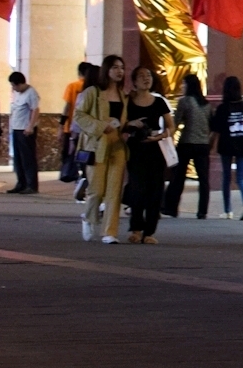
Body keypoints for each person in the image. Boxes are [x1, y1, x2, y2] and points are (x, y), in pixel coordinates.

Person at [74, 55, 129, 243]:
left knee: (114, 191)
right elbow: (79, 116)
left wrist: (128, 128)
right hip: (97, 145)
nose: (119, 71)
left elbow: (123, 120)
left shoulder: (123, 95)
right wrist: (99, 126)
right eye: (115, 67)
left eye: (121, 67)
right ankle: (88, 217)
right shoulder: (93, 92)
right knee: (97, 190)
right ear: (106, 70)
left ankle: (109, 232)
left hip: (118, 145)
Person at [119, 65, 172, 245]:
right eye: (141, 76)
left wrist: (161, 135)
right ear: (134, 81)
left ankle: (149, 232)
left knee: (155, 190)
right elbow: (121, 124)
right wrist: (131, 124)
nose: (146, 78)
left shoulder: (159, 101)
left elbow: (171, 125)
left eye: (148, 75)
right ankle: (135, 229)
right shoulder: (128, 100)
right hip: (135, 147)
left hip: (155, 148)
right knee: (136, 189)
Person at [163, 73, 213, 219]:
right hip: (203, 144)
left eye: (183, 84)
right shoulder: (207, 104)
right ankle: (202, 211)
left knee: (178, 176)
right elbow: (211, 125)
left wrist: (169, 137)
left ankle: (171, 208)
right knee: (204, 179)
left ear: (189, 85)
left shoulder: (184, 101)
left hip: (187, 142)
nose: (181, 86)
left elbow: (176, 122)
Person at [210, 75, 243, 220]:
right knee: (241, 177)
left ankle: (228, 210)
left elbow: (216, 130)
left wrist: (210, 145)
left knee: (226, 178)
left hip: (226, 145)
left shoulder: (222, 108)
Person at [62, 63, 95, 191]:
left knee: (78, 156)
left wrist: (62, 126)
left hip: (74, 129)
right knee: (89, 160)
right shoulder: (98, 91)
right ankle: (85, 179)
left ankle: (80, 179)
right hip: (90, 131)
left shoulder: (73, 86)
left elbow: (68, 107)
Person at [6, 71, 39, 194]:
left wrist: (30, 127)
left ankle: (31, 185)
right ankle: (21, 183)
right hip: (16, 129)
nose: (13, 88)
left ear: (20, 84)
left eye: (14, 86)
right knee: (18, 159)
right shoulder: (18, 93)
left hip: (26, 130)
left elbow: (35, 110)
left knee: (28, 158)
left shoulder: (31, 93)